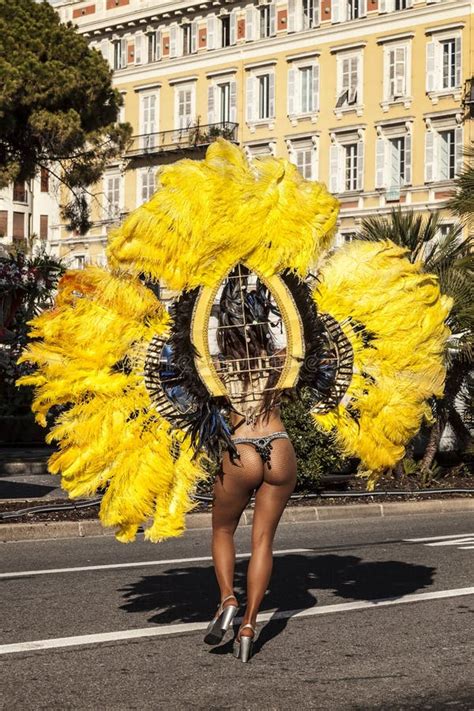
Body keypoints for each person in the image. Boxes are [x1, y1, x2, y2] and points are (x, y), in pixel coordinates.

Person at [204, 270, 297, 662]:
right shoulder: (281, 359)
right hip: (279, 445)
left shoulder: (215, 365)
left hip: (240, 447)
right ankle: (249, 624)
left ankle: (227, 599)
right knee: (263, 541)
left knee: (223, 529)